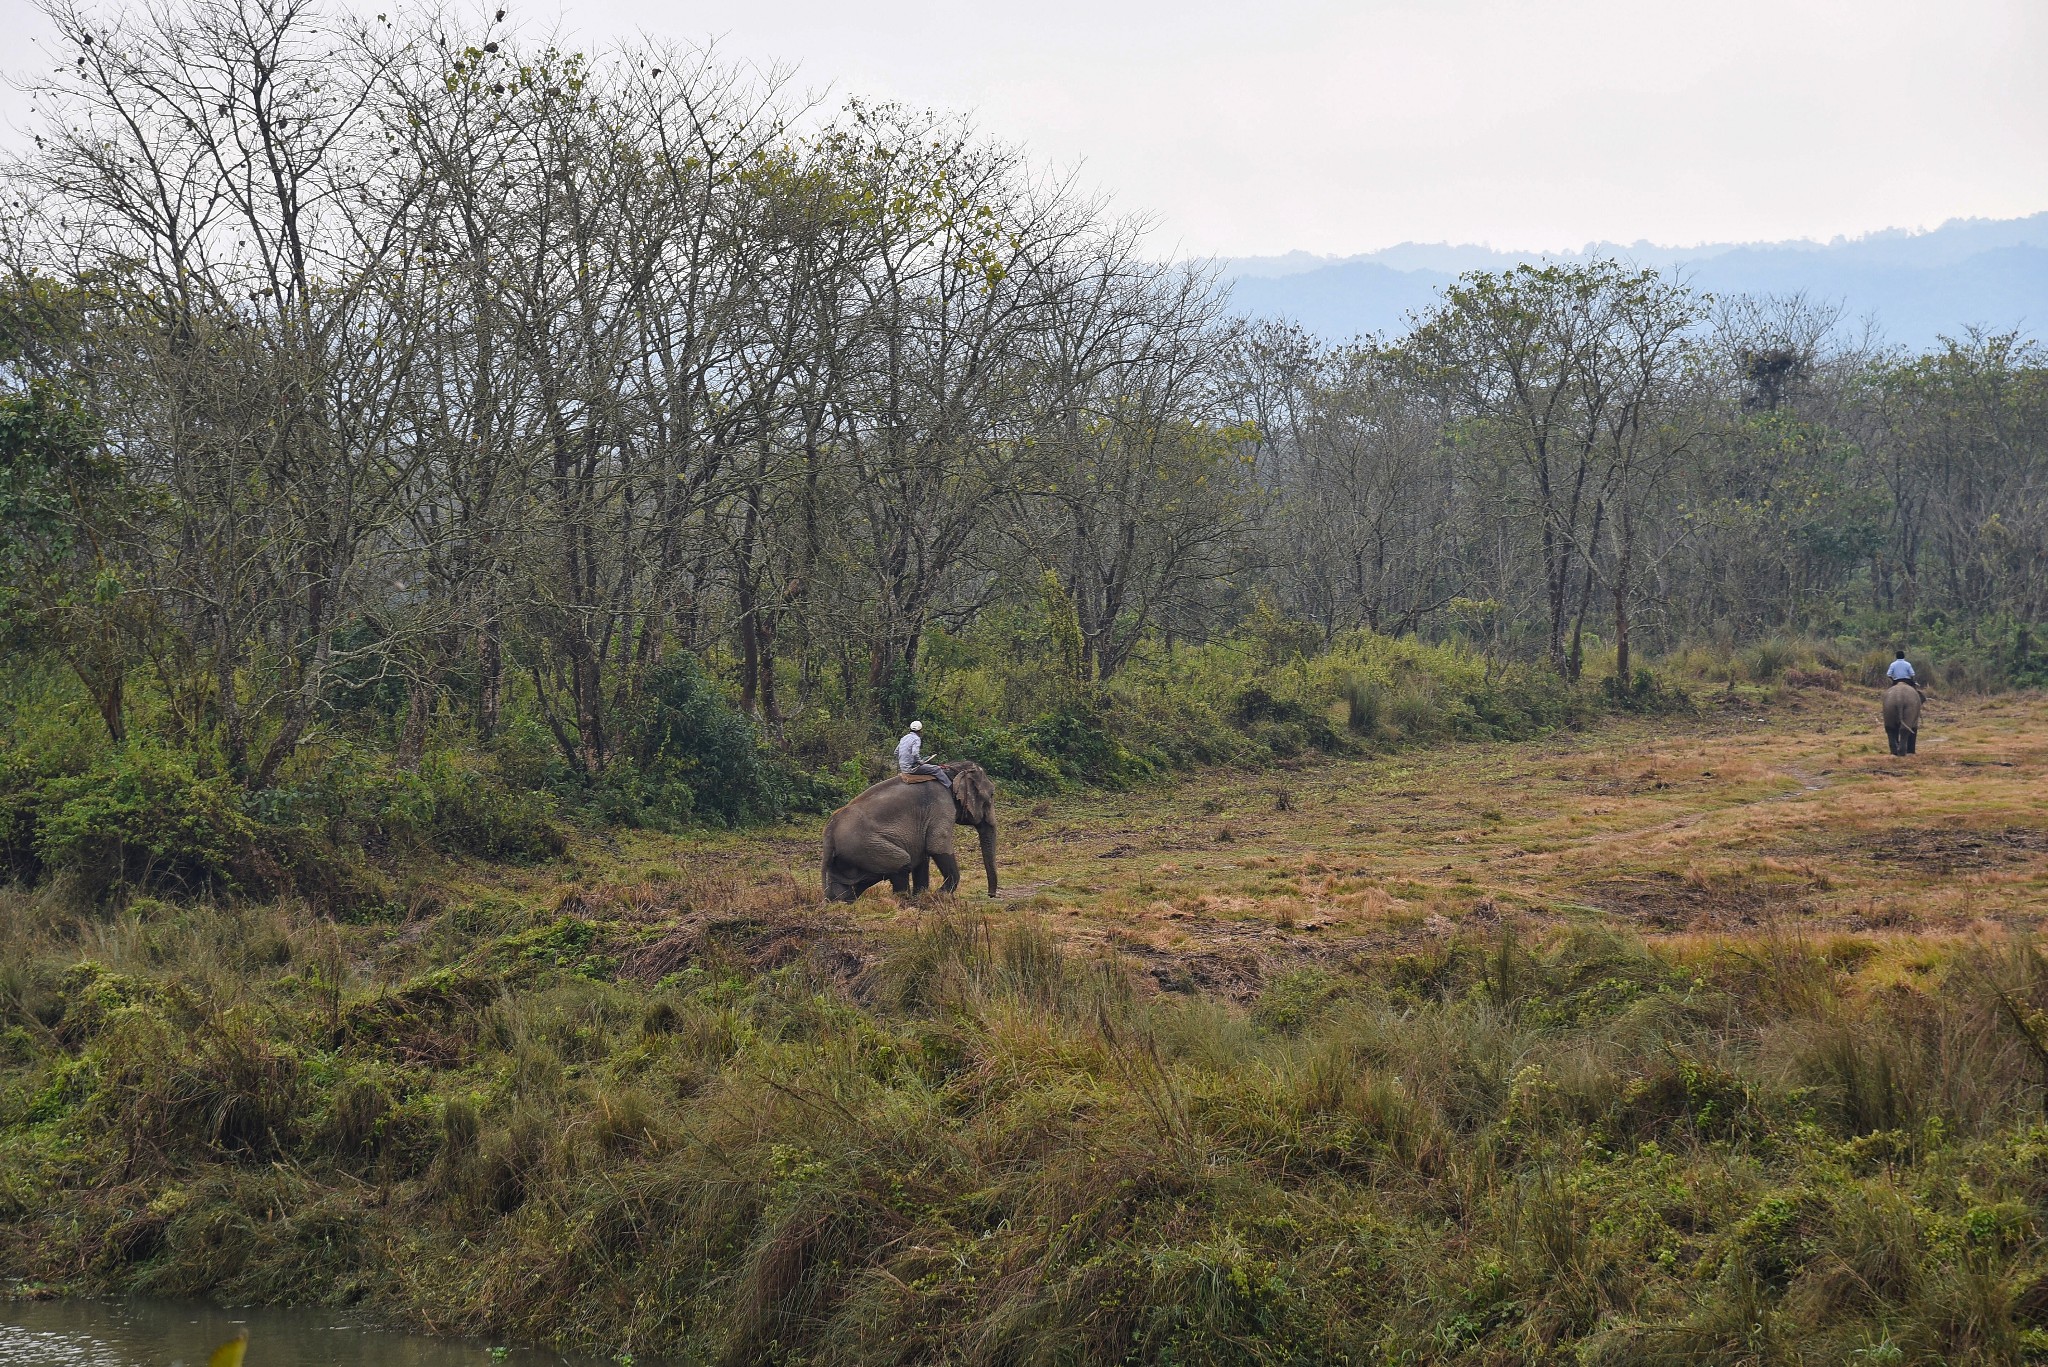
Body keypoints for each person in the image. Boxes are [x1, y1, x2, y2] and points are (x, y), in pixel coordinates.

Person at [895, 720, 952, 789]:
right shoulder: (916, 739)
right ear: (920, 731)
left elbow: (896, 752)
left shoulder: (904, 738)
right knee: (936, 769)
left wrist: (905, 760)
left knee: (926, 757)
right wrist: (920, 762)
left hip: (903, 767)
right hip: (911, 769)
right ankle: (950, 787)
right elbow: (915, 753)